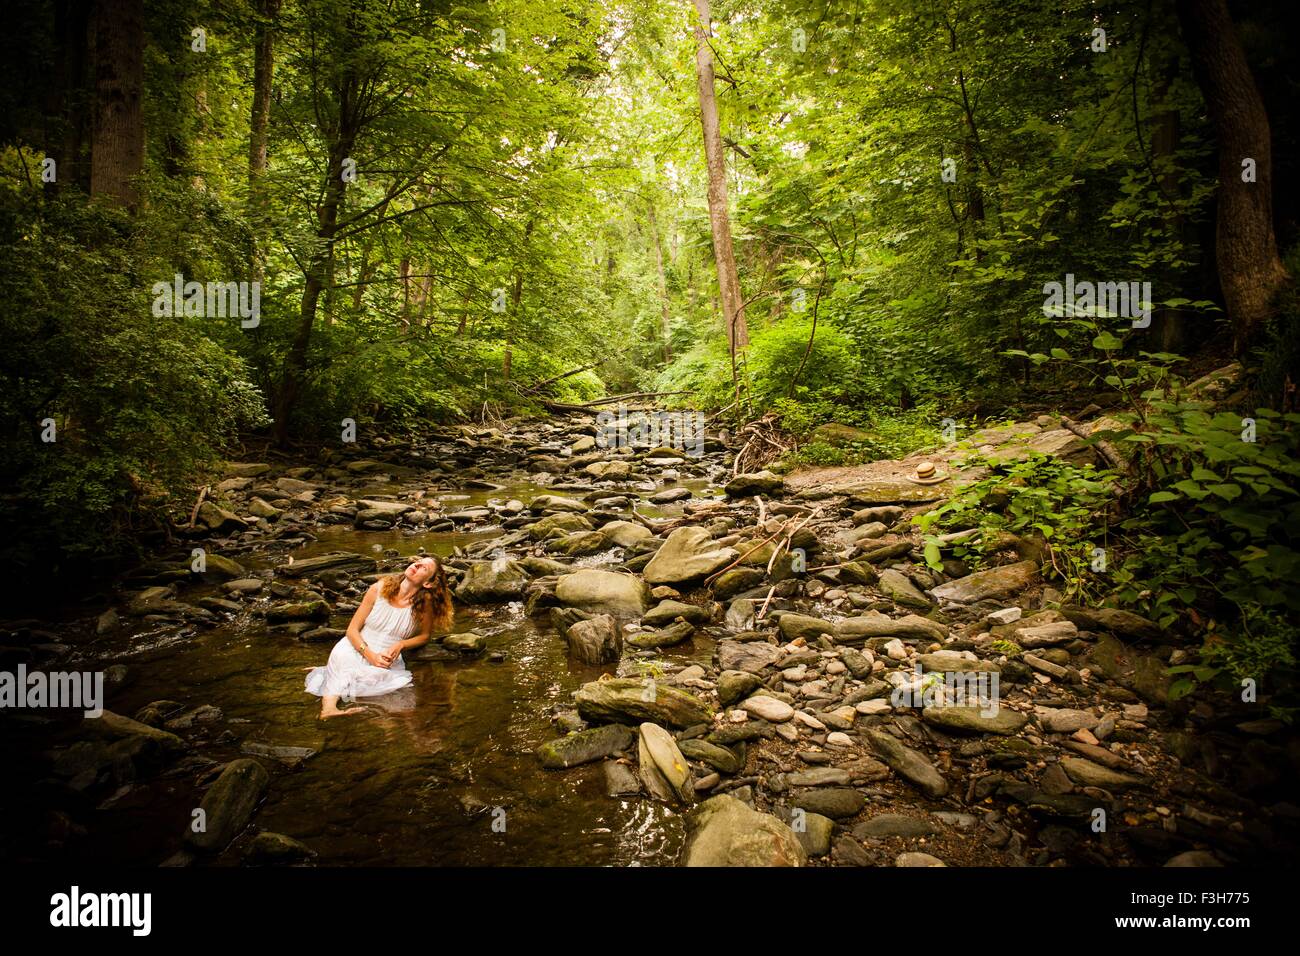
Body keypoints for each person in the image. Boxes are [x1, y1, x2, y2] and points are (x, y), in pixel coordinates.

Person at [305, 555, 454, 719]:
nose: (416, 564)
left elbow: (425, 636)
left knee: (396, 704)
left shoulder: (425, 603)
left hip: (387, 655)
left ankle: (332, 677)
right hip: (356, 645)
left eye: (424, 568)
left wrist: (401, 645)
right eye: (417, 562)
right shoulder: (378, 589)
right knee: (342, 659)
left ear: (428, 583)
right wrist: (370, 655)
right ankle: (329, 709)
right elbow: (352, 630)